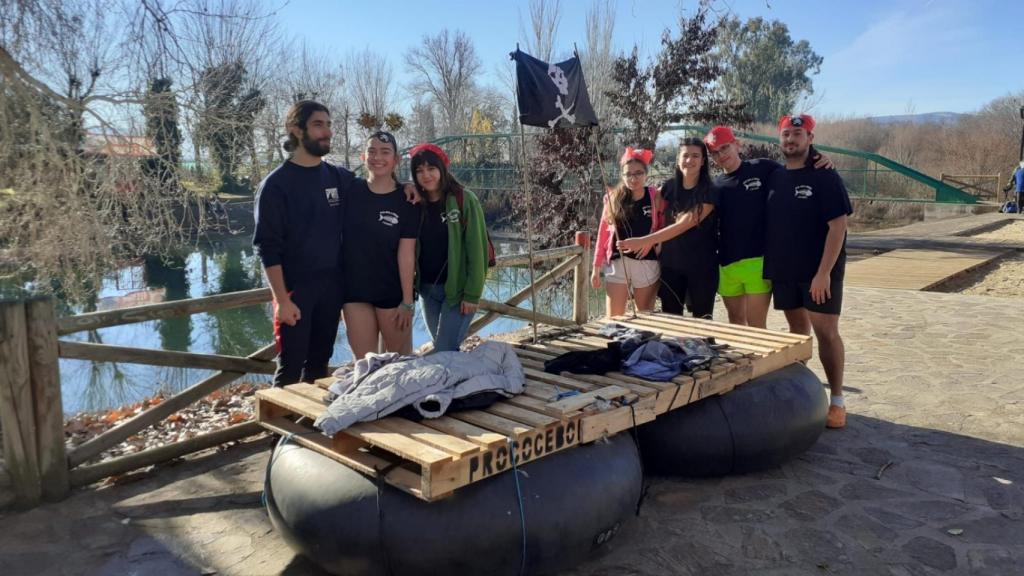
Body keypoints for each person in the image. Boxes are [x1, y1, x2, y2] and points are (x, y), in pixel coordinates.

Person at [764, 114, 853, 429]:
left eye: (798, 134)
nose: (791, 140)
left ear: (810, 138)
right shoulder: (774, 176)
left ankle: (838, 400)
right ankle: (802, 398)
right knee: (797, 334)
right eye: (786, 134)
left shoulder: (825, 175)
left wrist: (823, 272)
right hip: (785, 269)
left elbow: (838, 225)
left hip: (819, 273)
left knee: (826, 333)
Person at [253, 100, 350, 387]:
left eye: (329, 125)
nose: (328, 132)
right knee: (290, 369)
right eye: (319, 124)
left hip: (331, 289)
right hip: (295, 292)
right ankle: (279, 430)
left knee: (320, 366)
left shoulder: (337, 177)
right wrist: (282, 300)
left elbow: (376, 186)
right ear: (296, 130)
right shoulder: (276, 185)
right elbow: (266, 247)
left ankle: (310, 428)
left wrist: (406, 186)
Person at [704, 126, 833, 328]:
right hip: (727, 263)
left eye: (725, 147)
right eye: (715, 152)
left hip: (758, 262)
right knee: (736, 322)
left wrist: (817, 156)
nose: (721, 155)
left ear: (737, 144)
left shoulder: (763, 168)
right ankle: (743, 360)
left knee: (757, 326)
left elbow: (795, 167)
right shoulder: (715, 186)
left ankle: (761, 360)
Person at [618, 138, 719, 319]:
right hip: (671, 266)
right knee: (671, 321)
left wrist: (645, 241)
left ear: (703, 161)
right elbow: (650, 208)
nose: (689, 160)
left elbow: (683, 225)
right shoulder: (668, 188)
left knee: (703, 324)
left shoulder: (710, 191)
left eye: (695, 156)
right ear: (678, 159)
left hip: (702, 267)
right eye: (685, 155)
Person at [341, 131, 419, 359]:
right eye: (372, 151)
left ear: (396, 160)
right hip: (355, 292)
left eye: (385, 152)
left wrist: (407, 302)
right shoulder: (349, 191)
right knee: (365, 366)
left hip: (392, 294)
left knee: (398, 364)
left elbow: (406, 254)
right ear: (362, 157)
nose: (378, 157)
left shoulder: (407, 200)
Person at [409, 143, 490, 352]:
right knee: (442, 347)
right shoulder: (415, 204)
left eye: (431, 168)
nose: (426, 175)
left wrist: (472, 294)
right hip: (427, 290)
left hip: (457, 289)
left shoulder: (464, 200)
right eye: (419, 171)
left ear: (442, 169)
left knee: (444, 349)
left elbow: (477, 249)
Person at [591, 147, 664, 316]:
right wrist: (596, 268)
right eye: (628, 174)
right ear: (622, 176)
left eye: (638, 173)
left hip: (646, 262)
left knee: (644, 317)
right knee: (615, 319)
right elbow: (603, 233)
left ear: (646, 173)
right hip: (618, 262)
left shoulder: (655, 196)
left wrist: (652, 241)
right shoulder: (612, 198)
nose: (633, 178)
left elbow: (664, 226)